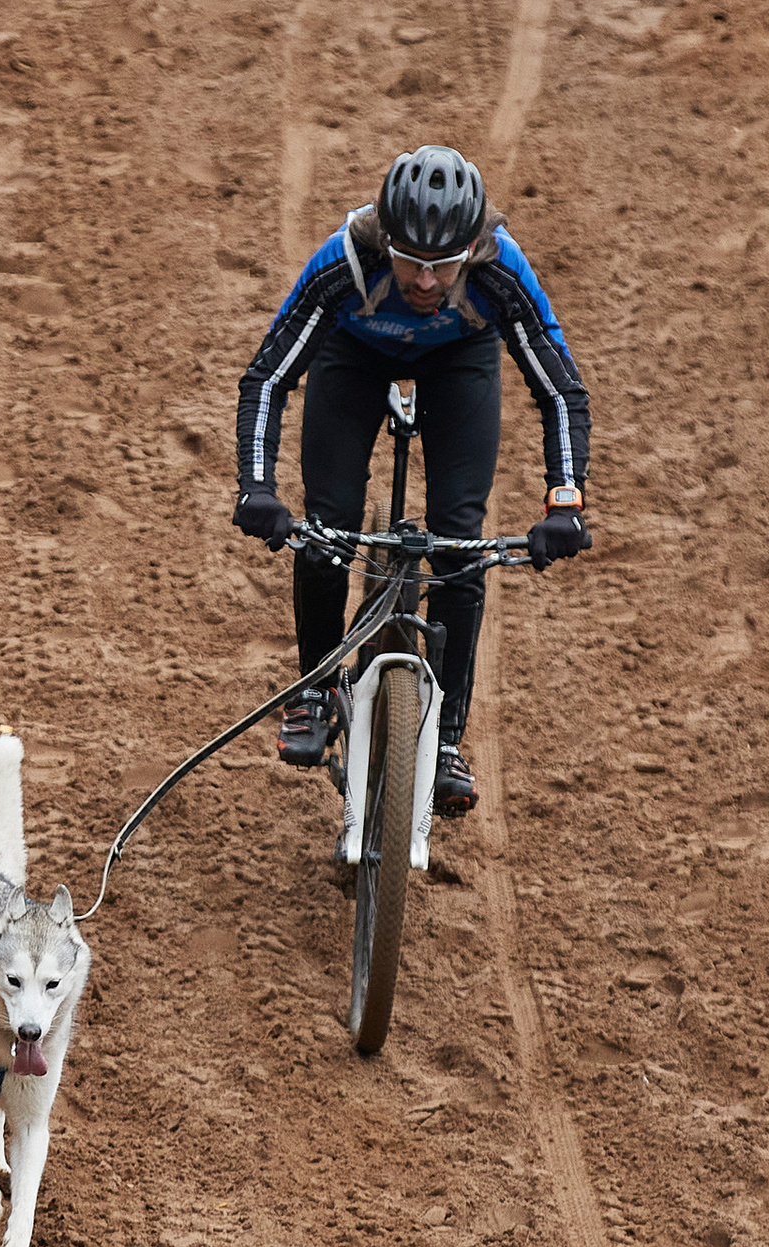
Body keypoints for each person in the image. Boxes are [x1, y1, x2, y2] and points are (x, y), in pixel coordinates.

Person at [231, 143, 592, 814]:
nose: (426, 283)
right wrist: (256, 487)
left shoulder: (501, 271)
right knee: (326, 528)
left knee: (460, 539)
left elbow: (559, 389)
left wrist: (564, 501)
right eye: (410, 262)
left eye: (444, 265)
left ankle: (447, 736)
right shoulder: (343, 263)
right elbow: (269, 376)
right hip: (355, 356)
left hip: (461, 359)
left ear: (473, 251)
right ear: (385, 241)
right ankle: (316, 691)